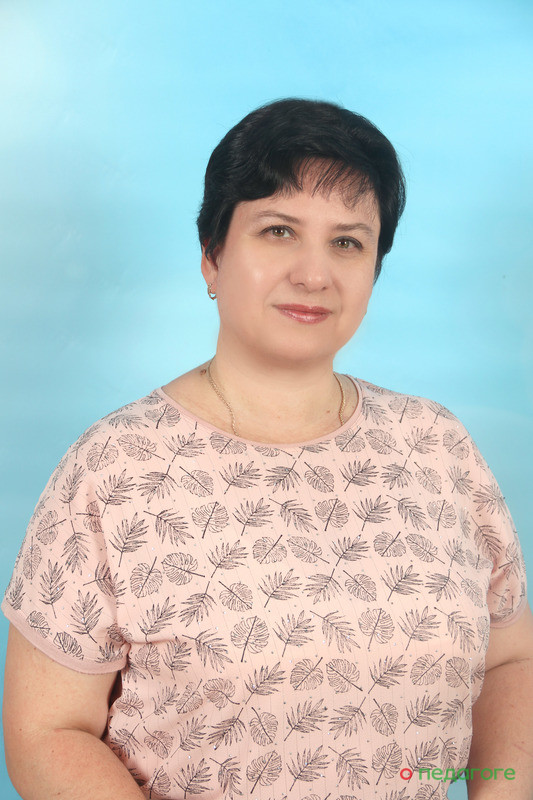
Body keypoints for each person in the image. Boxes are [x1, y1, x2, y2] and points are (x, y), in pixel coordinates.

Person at [2, 98, 533, 800]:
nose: (314, 274)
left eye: (348, 242)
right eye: (279, 230)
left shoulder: (437, 445)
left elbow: (508, 661)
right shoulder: (115, 469)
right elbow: (48, 733)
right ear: (212, 255)